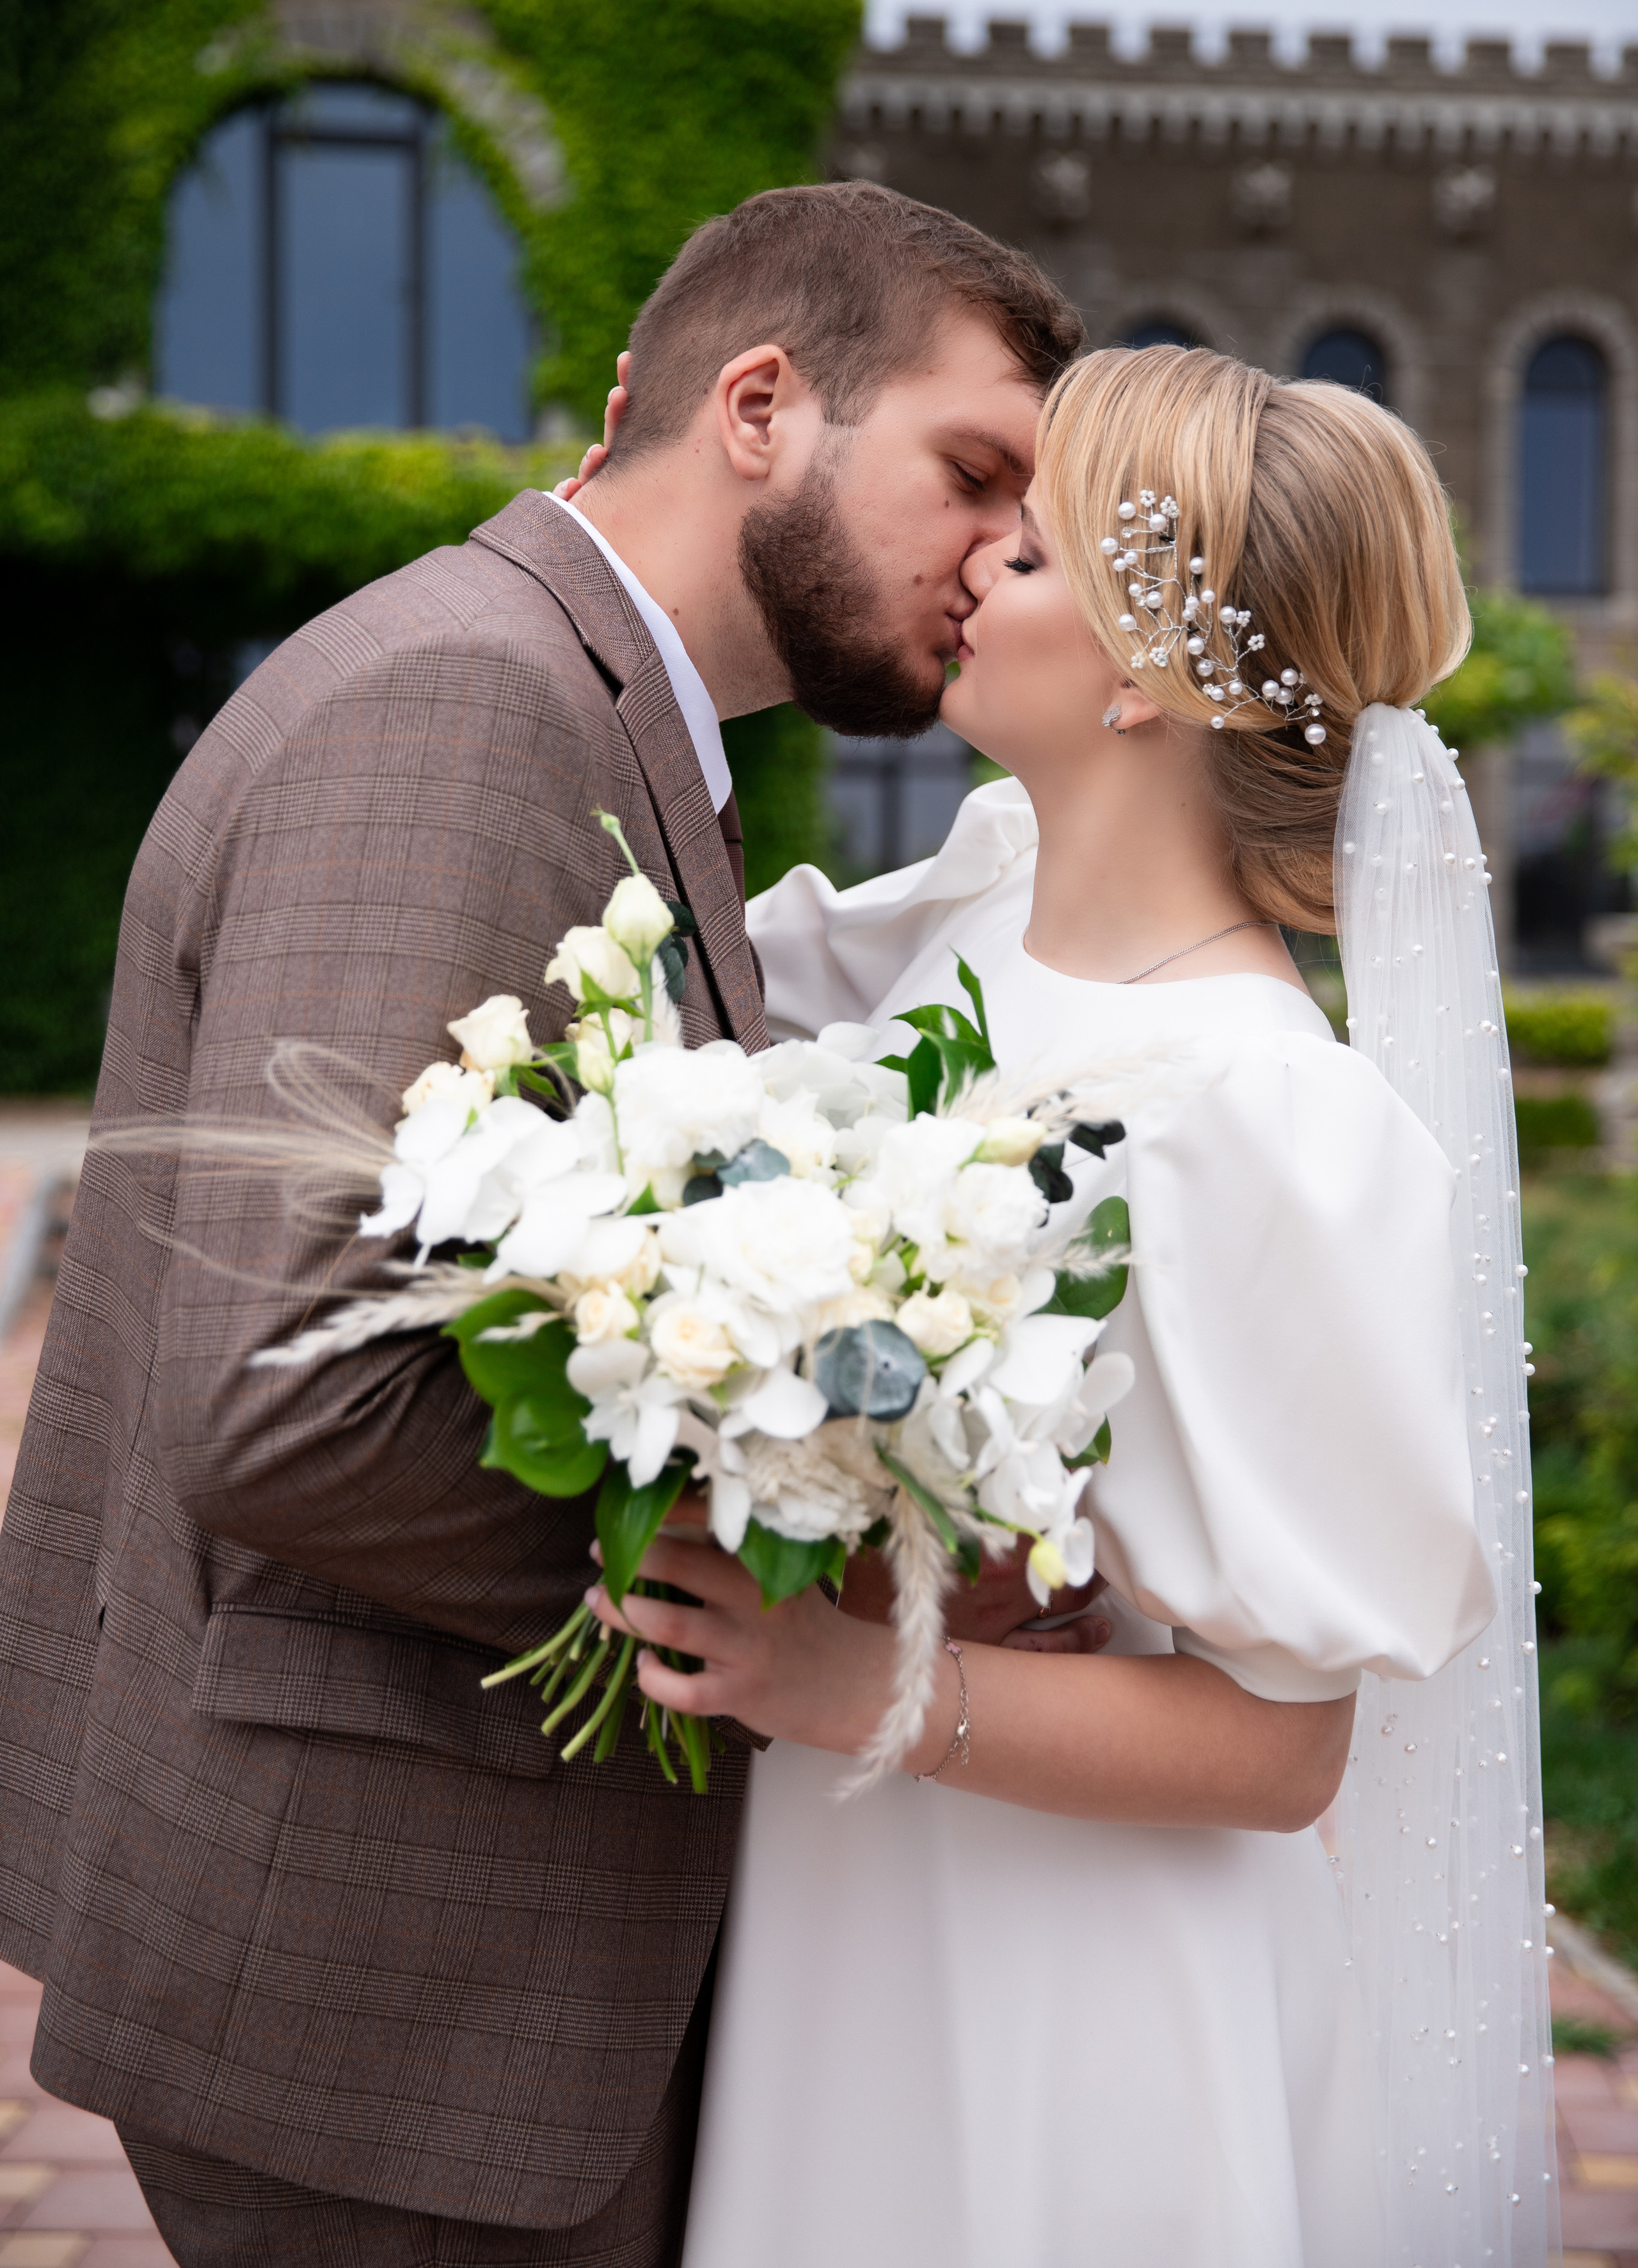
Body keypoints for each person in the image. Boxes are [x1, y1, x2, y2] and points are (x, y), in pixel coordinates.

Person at [0, 182, 1084, 2267]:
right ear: (761, 405)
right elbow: (292, 1403)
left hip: (403, 1956)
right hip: (392, 1986)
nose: (998, 553)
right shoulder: (473, 706)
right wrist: (835, 1580)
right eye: (972, 472)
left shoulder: (579, 704)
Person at [588, 346, 1556, 2267]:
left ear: (1152, 674)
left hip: (1083, 1973)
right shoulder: (968, 903)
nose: (966, 573)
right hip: (859, 1905)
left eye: (1022, 555)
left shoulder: (1275, 1116)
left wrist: (867, 1689)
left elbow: (1287, 1751)